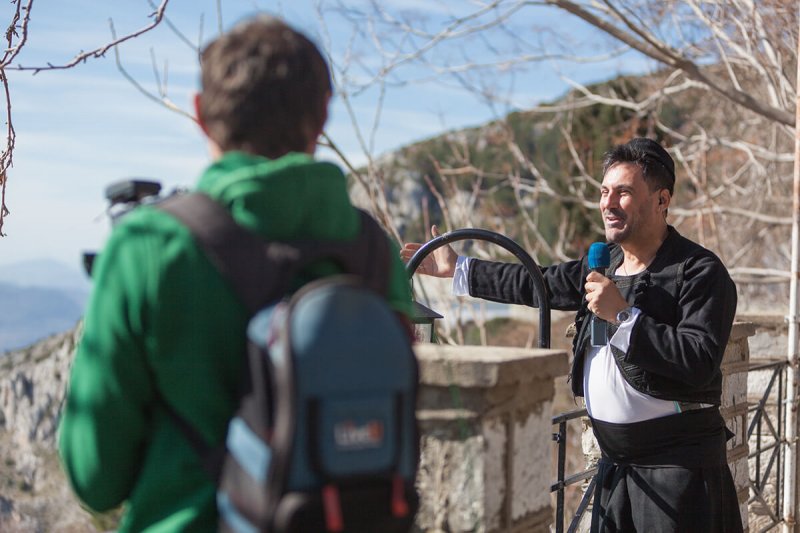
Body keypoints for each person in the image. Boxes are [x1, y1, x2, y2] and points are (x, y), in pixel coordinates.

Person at [59, 16, 413, 533]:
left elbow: (95, 476)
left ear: (201, 115)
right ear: (322, 117)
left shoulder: (150, 248)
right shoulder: (372, 251)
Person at [402, 137, 742, 532]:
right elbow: (537, 283)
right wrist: (459, 269)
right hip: (615, 468)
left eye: (624, 192)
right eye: (604, 192)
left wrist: (623, 316)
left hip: (677, 468)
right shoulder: (605, 263)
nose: (608, 203)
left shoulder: (700, 271)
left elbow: (697, 360)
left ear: (662, 200)